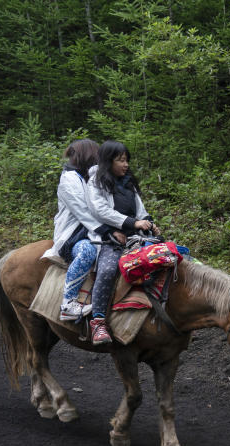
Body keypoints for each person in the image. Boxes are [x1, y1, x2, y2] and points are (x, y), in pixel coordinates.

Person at [85, 140, 158, 345]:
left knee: (165, 257)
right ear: (108, 161)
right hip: (109, 236)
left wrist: (150, 224)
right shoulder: (96, 183)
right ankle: (98, 321)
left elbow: (140, 210)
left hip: (135, 234)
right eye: (120, 160)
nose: (125, 165)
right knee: (108, 269)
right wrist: (132, 223)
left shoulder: (128, 182)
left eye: (126, 160)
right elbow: (100, 210)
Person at [40, 138, 101, 321]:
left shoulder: (86, 178)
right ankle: (68, 303)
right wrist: (107, 230)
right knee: (87, 252)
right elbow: (85, 212)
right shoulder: (69, 180)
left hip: (89, 231)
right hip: (73, 236)